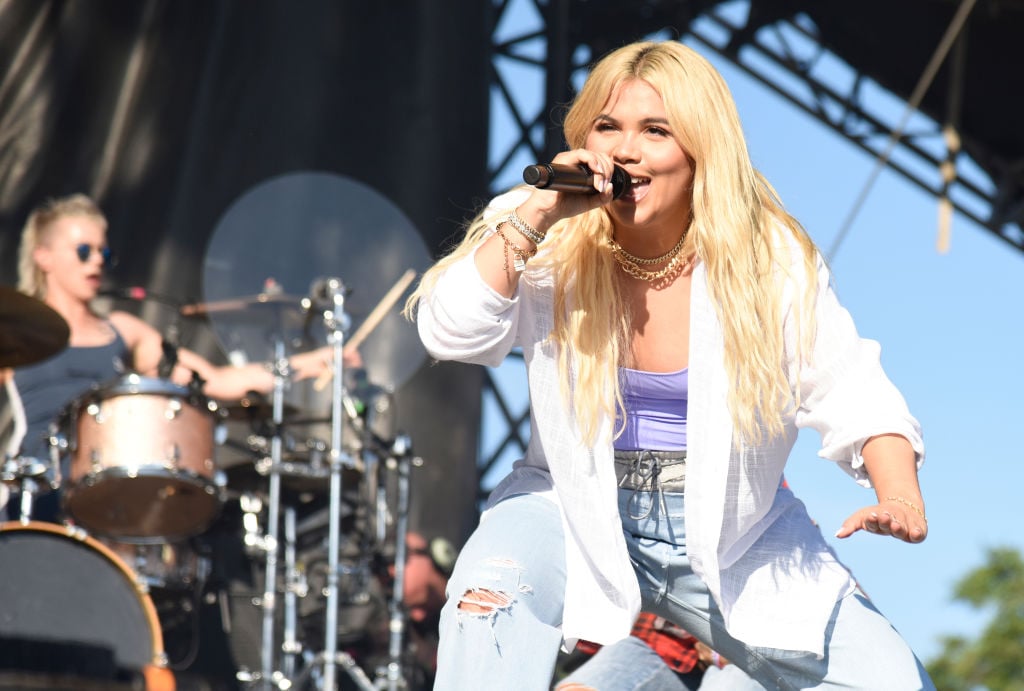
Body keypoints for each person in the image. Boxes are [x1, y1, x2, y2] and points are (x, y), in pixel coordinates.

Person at [406, 40, 933, 689]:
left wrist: (899, 493)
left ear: (699, 149)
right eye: (608, 127)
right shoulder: (540, 232)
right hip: (566, 503)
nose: (625, 149)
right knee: (488, 599)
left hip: (731, 530)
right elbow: (448, 329)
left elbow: (853, 390)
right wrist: (536, 212)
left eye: (654, 130)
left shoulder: (768, 259)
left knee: (892, 681)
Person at [0, 192, 357, 524]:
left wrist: (311, 363)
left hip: (102, 495)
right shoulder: (14, 329)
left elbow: (215, 380)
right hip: (32, 493)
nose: (97, 261)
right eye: (83, 251)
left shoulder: (123, 330)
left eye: (104, 254)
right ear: (42, 256)